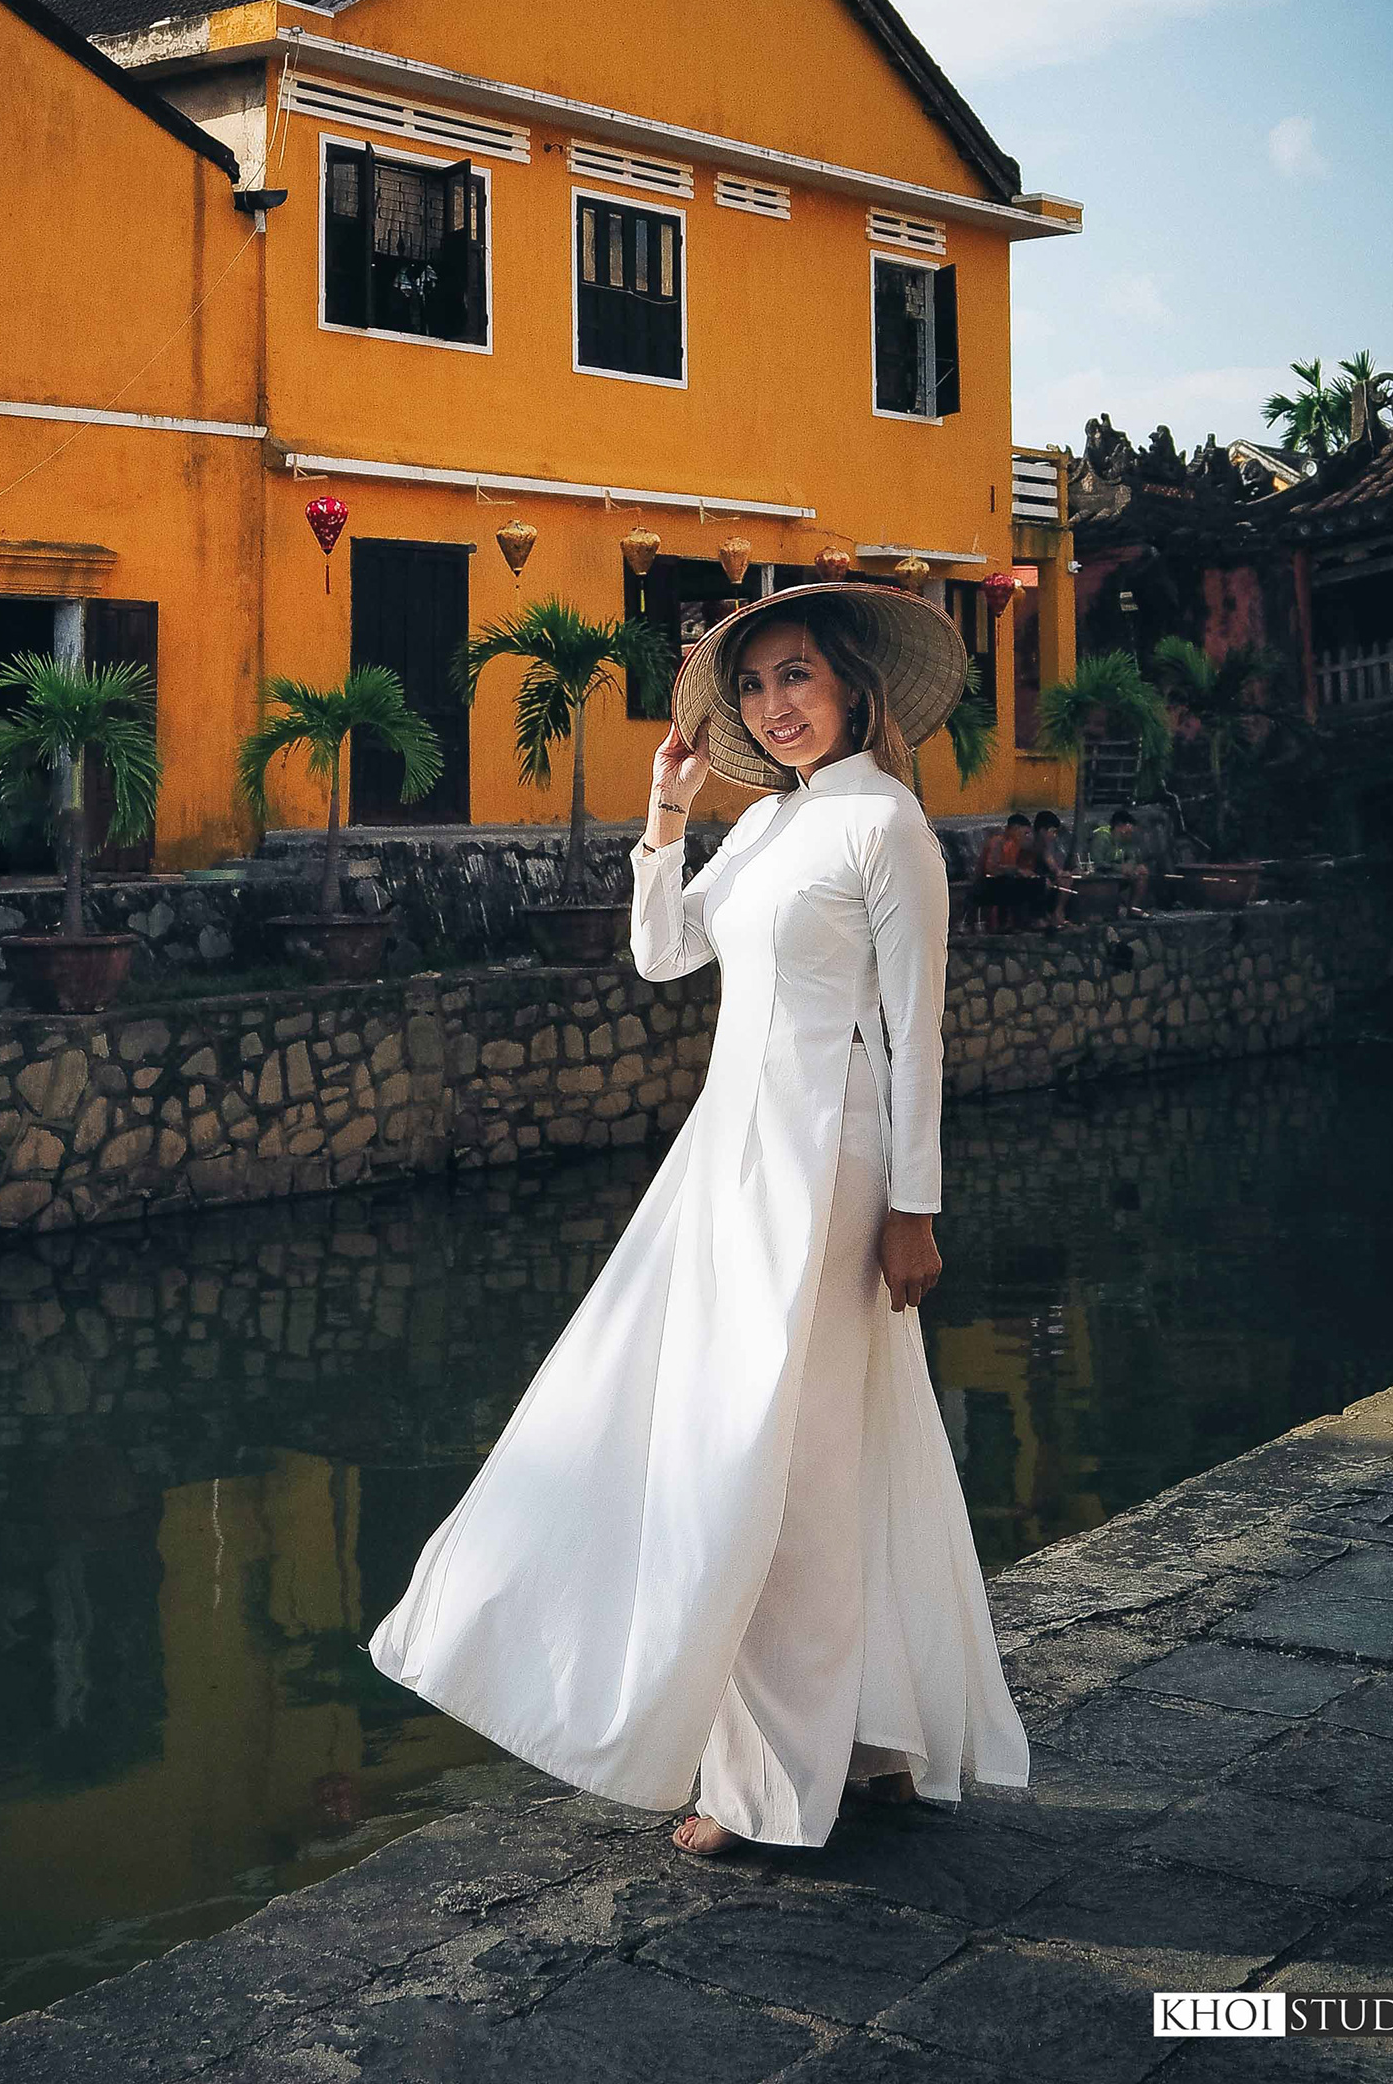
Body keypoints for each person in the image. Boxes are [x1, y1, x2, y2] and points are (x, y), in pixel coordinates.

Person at [369, 581, 1029, 1859]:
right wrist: (668, 813)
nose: (776, 706)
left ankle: (774, 1782)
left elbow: (916, 1035)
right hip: (730, 1154)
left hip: (826, 1168)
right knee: (798, 1447)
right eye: (756, 687)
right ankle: (874, 1739)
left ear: (852, 689)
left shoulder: (884, 825)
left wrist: (914, 1211)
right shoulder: (772, 828)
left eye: (797, 677)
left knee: (760, 1455)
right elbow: (665, 953)